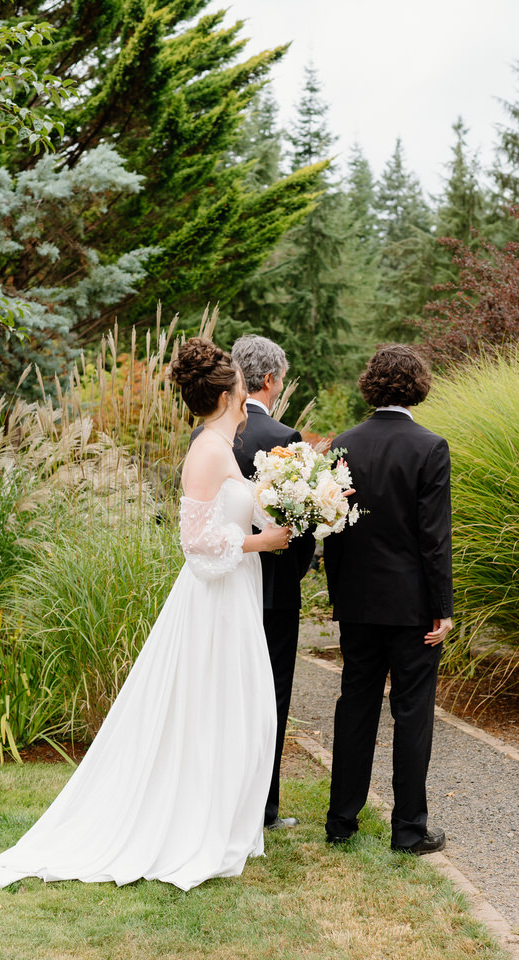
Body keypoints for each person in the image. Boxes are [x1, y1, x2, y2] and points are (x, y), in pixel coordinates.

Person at [0, 338, 291, 891]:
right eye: (238, 381)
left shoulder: (222, 445)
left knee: (237, 707)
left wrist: (302, 500)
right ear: (230, 390)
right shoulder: (208, 450)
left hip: (233, 597)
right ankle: (187, 828)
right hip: (214, 603)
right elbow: (196, 543)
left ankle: (219, 820)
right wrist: (265, 543)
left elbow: (231, 513)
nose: (244, 387)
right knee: (209, 708)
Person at [322, 344, 453, 855]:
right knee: (412, 711)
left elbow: (332, 529)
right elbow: (433, 537)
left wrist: (341, 595)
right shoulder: (429, 447)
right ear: (418, 384)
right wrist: (443, 607)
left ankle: (340, 821)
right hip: (413, 607)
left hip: (357, 603)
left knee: (355, 705)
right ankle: (408, 831)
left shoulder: (342, 445)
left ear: (371, 384)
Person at [203, 335, 315, 830]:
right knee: (271, 695)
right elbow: (300, 524)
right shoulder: (285, 438)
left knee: (220, 692)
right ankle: (262, 809)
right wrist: (299, 569)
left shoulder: (205, 435)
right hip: (271, 590)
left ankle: (215, 798)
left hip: (217, 586)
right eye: (282, 379)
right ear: (270, 380)